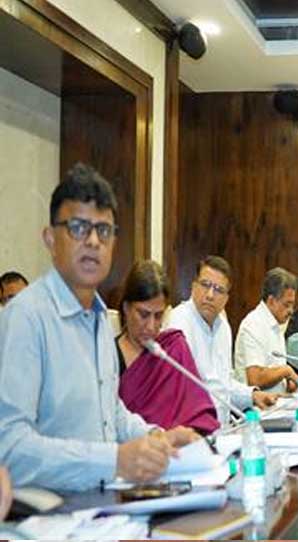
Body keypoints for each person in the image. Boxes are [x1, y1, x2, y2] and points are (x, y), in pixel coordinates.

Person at [0, 164, 196, 491]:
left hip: (104, 501)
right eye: (78, 228)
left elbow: (110, 414)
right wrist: (114, 461)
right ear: (50, 239)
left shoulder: (101, 319)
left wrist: (156, 437)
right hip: (50, 510)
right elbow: (9, 448)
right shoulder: (26, 318)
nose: (93, 241)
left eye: (104, 230)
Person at [164, 255, 278, 423]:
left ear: (226, 298)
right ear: (193, 286)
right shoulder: (178, 323)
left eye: (218, 290)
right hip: (191, 428)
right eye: (205, 285)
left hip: (222, 428)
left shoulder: (223, 327)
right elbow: (177, 391)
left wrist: (252, 395)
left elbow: (224, 385)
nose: (210, 295)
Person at [114, 260, 220, 436]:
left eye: (158, 316)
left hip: (182, 449)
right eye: (143, 314)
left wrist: (187, 436)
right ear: (126, 308)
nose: (151, 326)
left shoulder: (173, 348)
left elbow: (200, 413)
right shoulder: (108, 356)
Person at [234, 267, 298, 393]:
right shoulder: (254, 324)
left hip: (280, 400)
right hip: (257, 404)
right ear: (271, 301)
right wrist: (285, 371)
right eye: (287, 305)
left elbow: (282, 379)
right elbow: (255, 379)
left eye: (292, 305)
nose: (291, 311)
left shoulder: (276, 324)